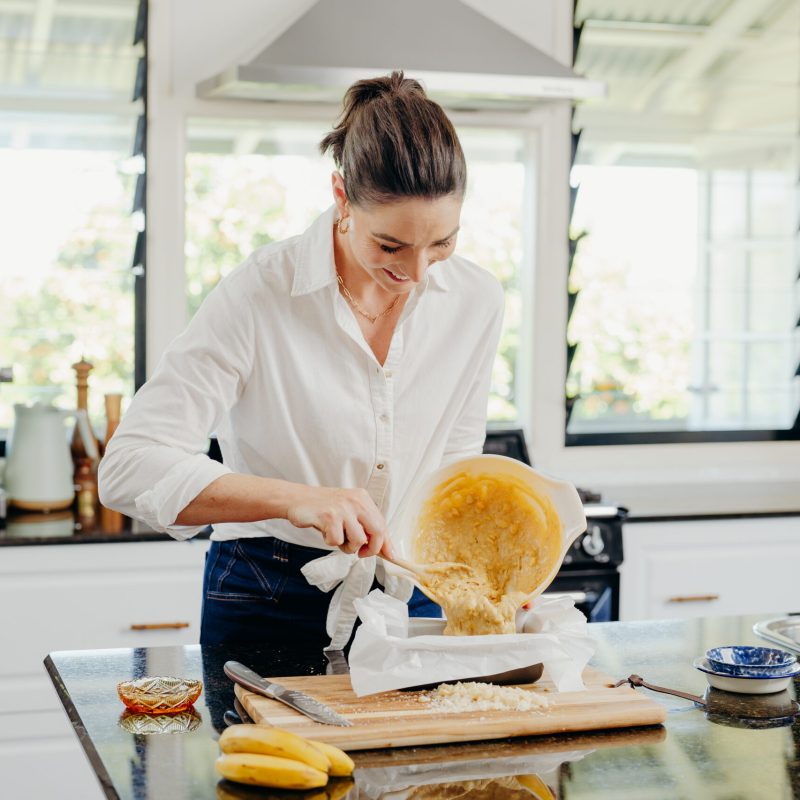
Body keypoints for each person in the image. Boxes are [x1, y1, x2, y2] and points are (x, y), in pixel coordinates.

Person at [99, 71, 505, 651]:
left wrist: (492, 574)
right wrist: (300, 499)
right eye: (391, 245)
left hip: (412, 589)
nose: (418, 274)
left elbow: (456, 467)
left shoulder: (476, 301)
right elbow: (128, 466)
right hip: (266, 587)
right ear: (341, 197)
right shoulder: (259, 293)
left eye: (442, 243)